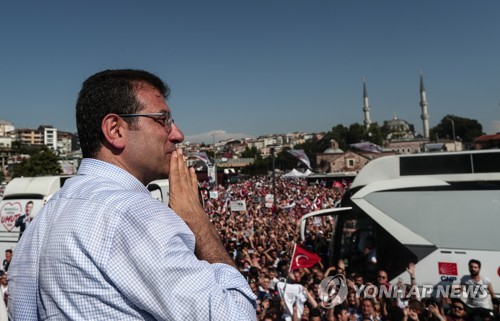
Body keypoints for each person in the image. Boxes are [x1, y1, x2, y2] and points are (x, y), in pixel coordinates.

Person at [8, 69, 256, 320]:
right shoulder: (135, 214)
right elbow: (237, 315)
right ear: (115, 130)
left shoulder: (41, 221)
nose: (177, 135)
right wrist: (197, 221)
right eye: (163, 119)